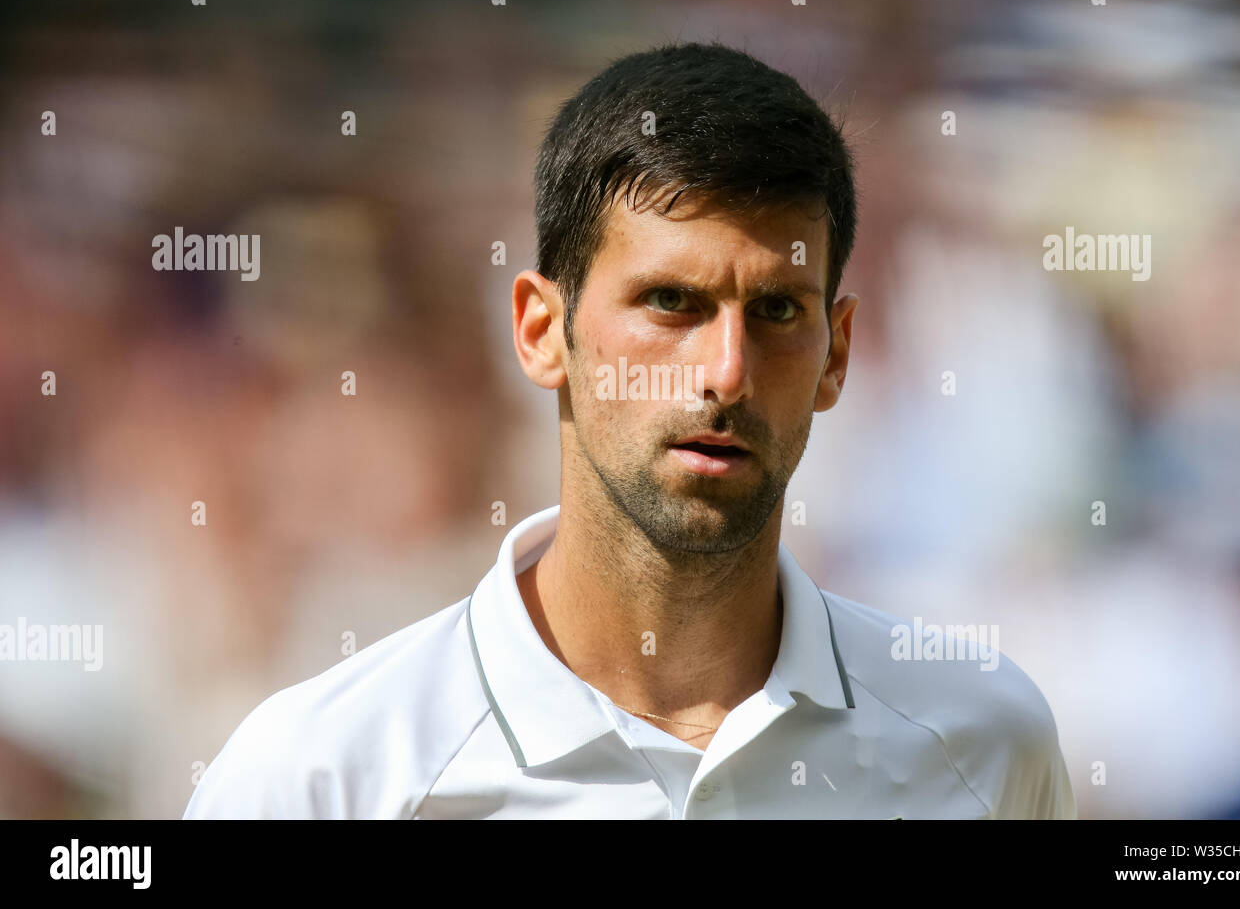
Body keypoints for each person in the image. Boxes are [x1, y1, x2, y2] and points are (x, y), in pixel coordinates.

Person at [184, 41, 1075, 819]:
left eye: (775, 309)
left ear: (837, 354)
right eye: (671, 302)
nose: (726, 370)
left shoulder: (985, 749)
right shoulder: (321, 777)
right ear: (542, 332)